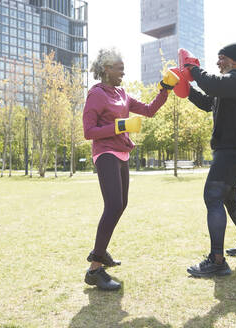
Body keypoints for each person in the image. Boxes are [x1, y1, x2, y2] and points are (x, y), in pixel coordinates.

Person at [82, 48, 178, 290]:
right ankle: (95, 268)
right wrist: (119, 126)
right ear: (106, 69)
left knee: (121, 205)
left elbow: (148, 110)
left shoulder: (122, 92)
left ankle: (100, 252)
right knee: (113, 205)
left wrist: (164, 89)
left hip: (122, 152)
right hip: (105, 152)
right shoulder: (96, 94)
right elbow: (88, 131)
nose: (123, 72)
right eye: (119, 68)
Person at [181, 43, 236, 277]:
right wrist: (186, 89)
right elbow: (209, 102)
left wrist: (192, 68)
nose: (218, 63)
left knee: (212, 196)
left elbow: (210, 83)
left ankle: (217, 260)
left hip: (233, 148)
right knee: (228, 196)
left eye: (221, 58)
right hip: (235, 148)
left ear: (234, 61)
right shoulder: (229, 86)